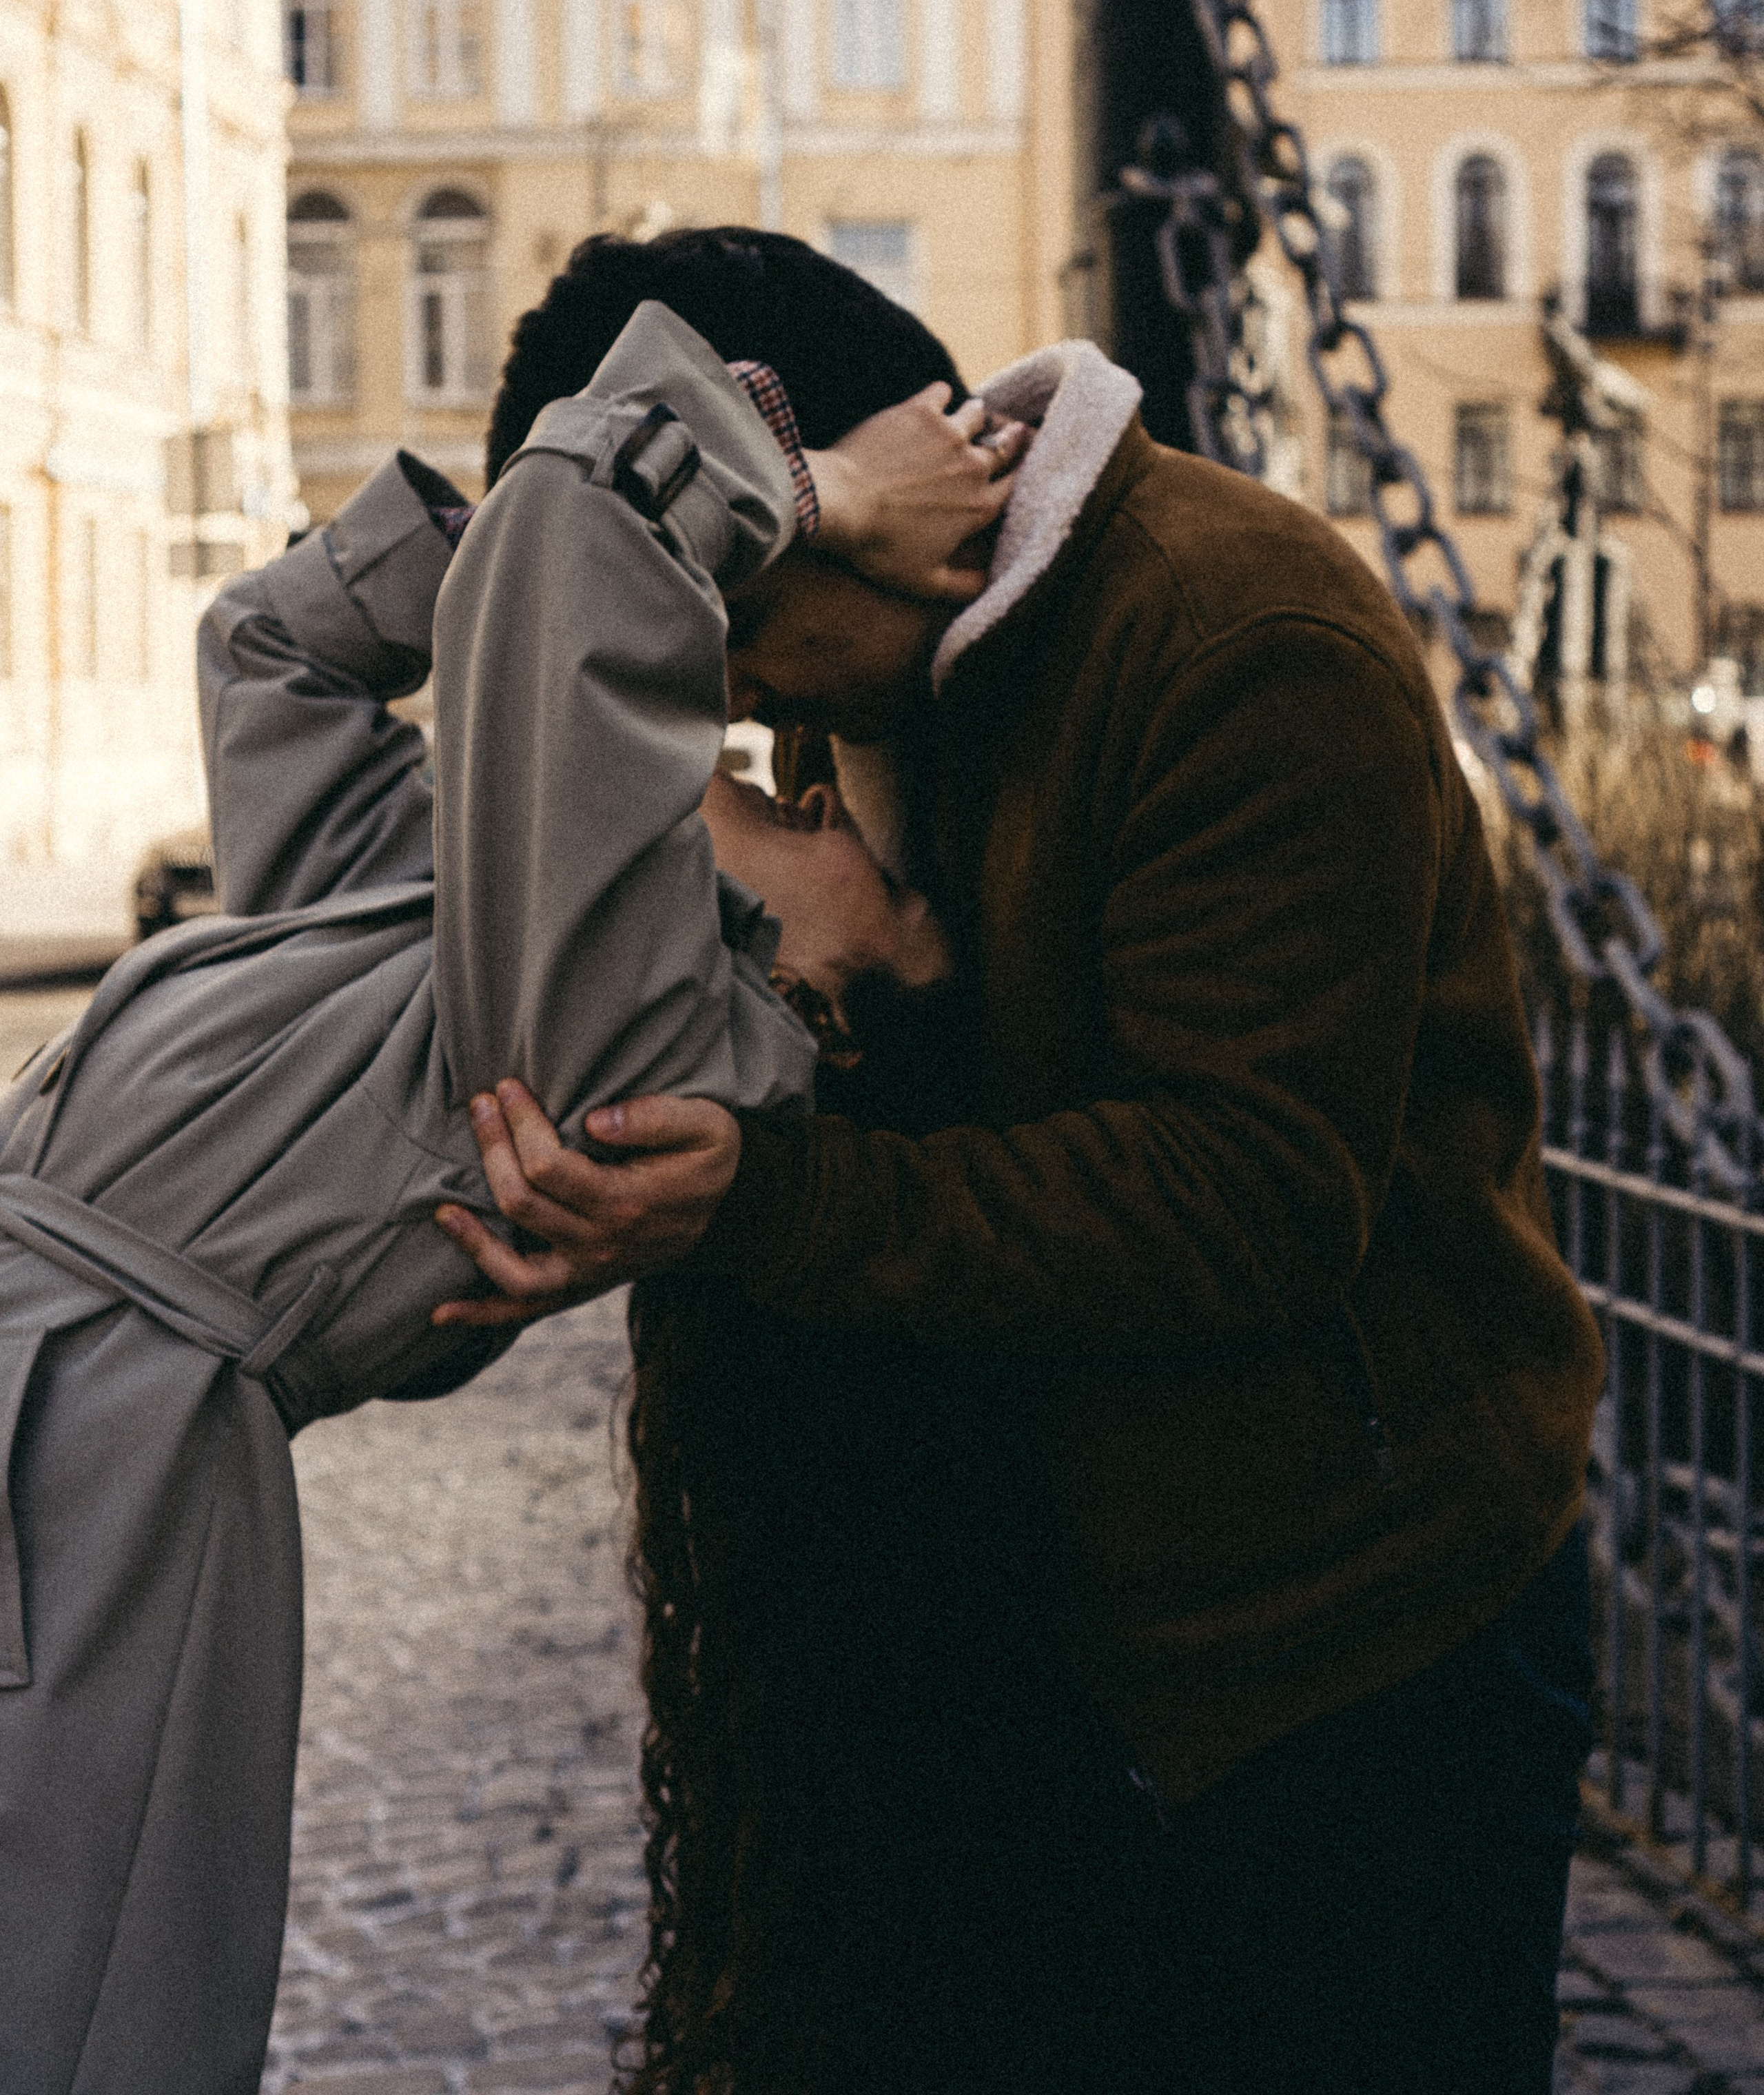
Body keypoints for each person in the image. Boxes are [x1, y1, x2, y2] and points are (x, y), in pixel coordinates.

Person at [443, 225, 1608, 2095]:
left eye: (725, 618)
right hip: (1090, 1644)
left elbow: (1244, 1201)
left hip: (1354, 1647)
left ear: (856, 495)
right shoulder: (871, 685)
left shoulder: (1238, 638)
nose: (722, 698)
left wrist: (769, 1191)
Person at [0, 295, 1013, 2095]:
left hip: (91, 1458)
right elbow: (272, 660)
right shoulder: (500, 945)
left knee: (62, 2010)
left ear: (834, 1012)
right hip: (59, 1391)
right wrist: (455, 567)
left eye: (887, 866)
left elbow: (582, 550)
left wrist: (831, 498)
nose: (834, 804)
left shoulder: (647, 1039)